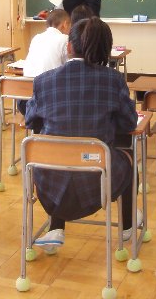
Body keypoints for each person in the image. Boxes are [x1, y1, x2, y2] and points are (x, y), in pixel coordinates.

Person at [25, 17, 139, 252]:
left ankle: (56, 228)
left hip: (49, 183)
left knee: (61, 147)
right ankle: (127, 227)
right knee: (129, 156)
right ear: (106, 50)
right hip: (97, 182)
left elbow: (30, 120)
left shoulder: (43, 81)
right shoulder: (113, 80)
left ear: (69, 46)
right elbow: (129, 122)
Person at [23, 10, 70, 79]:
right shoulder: (65, 39)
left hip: (27, 81)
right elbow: (70, 66)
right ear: (65, 24)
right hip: (49, 82)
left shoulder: (36, 37)